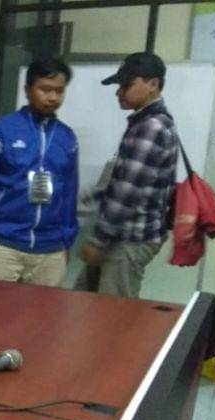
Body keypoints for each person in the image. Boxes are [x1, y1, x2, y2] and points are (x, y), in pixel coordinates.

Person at [0, 57, 79, 288]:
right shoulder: (1, 131)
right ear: (28, 90)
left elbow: (69, 194)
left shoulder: (67, 138)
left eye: (59, 91)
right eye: (45, 89)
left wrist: (66, 240)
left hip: (50, 248)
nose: (53, 97)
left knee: (43, 311)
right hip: (1, 243)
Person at [77, 52, 178, 298]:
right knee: (85, 303)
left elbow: (126, 194)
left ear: (153, 84)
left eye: (126, 85)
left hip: (130, 239)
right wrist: (80, 200)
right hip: (123, 235)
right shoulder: (148, 122)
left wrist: (98, 241)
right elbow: (123, 182)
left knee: (113, 314)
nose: (119, 92)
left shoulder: (150, 127)